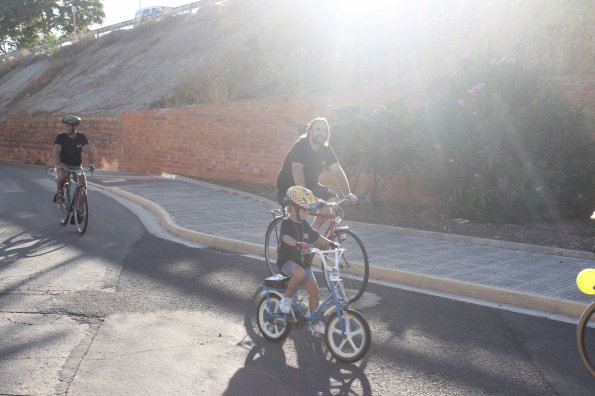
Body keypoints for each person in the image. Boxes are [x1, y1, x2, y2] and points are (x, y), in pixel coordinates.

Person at [276, 117, 358, 231]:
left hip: (311, 186)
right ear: (310, 131)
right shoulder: (300, 145)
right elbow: (297, 169)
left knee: (332, 201)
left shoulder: (326, 149)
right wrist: (305, 195)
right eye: (318, 129)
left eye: (324, 130)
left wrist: (348, 193)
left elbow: (337, 170)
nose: (321, 133)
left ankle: (312, 233)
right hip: (289, 189)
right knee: (298, 220)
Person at [277, 186, 336, 334]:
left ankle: (315, 322)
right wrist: (296, 243)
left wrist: (332, 244)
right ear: (293, 209)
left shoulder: (304, 225)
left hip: (303, 263)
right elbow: (285, 237)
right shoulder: (287, 223)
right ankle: (287, 297)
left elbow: (316, 237)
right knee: (299, 273)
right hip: (287, 262)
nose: (308, 213)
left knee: (314, 292)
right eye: (304, 210)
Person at [53, 115, 95, 204]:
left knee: (83, 185)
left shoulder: (81, 137)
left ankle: (80, 210)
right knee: (63, 176)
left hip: (77, 166)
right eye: (64, 126)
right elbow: (56, 152)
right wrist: (58, 165)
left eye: (67, 126)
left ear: (75, 127)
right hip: (64, 164)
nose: (65, 128)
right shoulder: (60, 137)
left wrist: (91, 164)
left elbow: (89, 151)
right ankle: (60, 190)